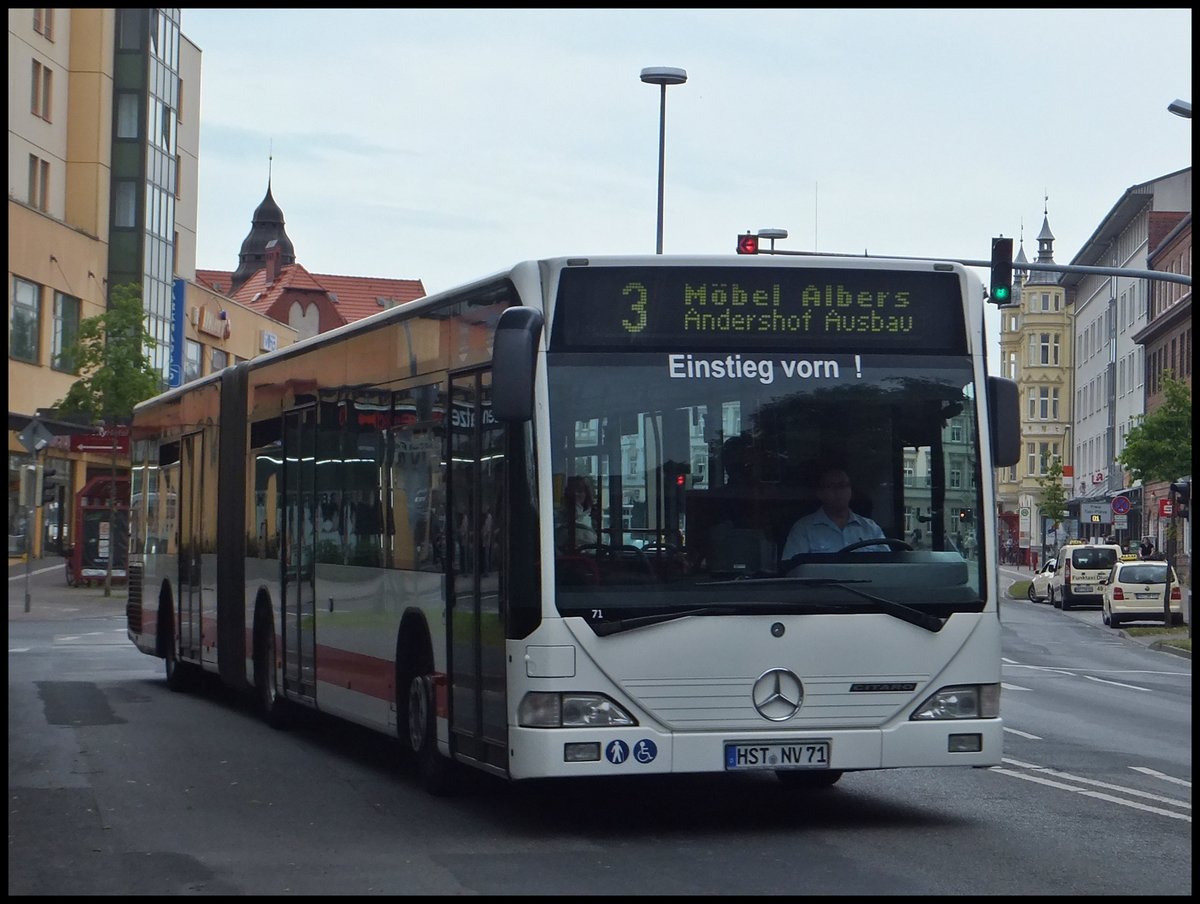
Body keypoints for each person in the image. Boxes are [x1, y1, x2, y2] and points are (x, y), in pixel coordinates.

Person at [780, 466, 886, 558]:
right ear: (820, 493)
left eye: (843, 485)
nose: (838, 491)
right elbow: (793, 570)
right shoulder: (803, 529)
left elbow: (887, 566)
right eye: (831, 486)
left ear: (851, 490)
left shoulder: (871, 528)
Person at [556, 476, 599, 551]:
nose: (575, 494)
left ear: (587, 494)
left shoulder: (594, 516)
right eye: (572, 491)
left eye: (580, 491)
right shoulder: (557, 515)